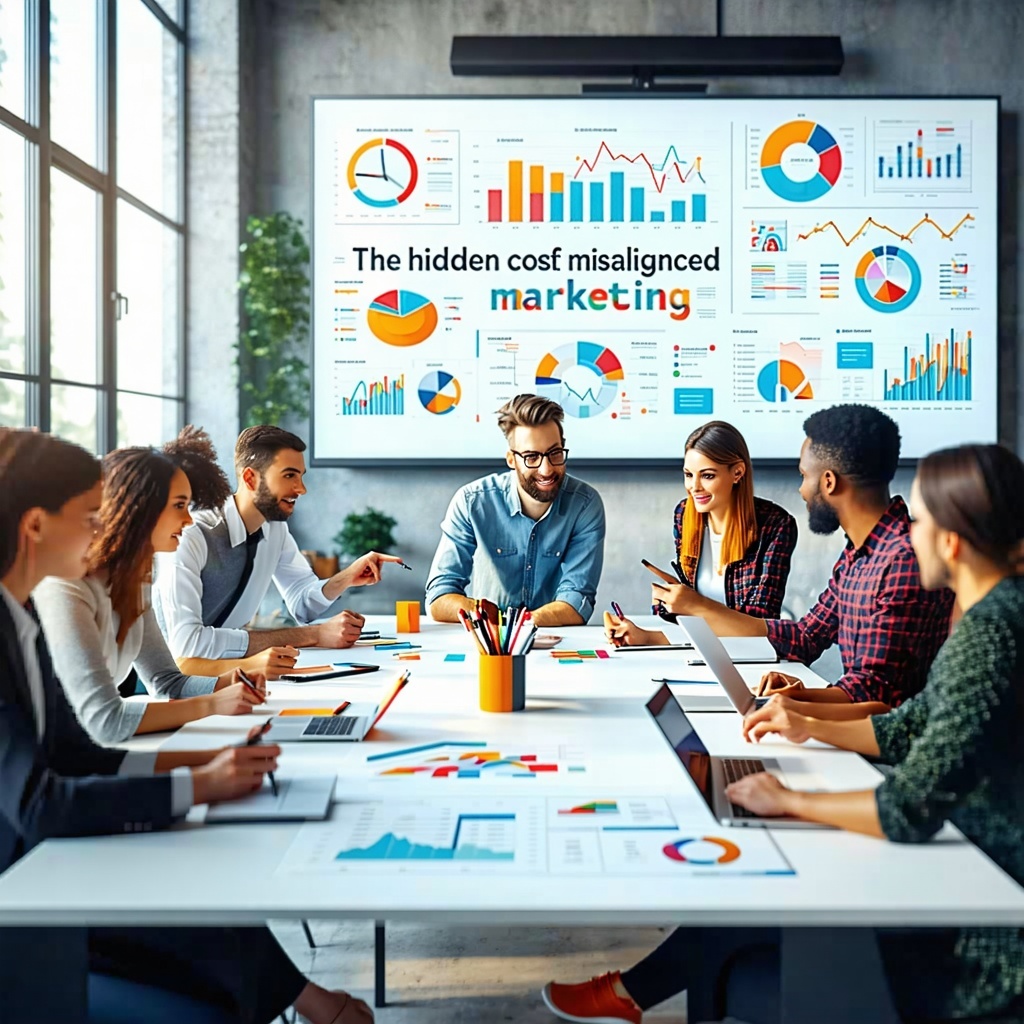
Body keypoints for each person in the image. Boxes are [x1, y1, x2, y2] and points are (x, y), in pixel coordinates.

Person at [543, 443, 1024, 1024]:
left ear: (950, 542)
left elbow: (908, 807)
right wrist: (804, 719)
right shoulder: (995, 616)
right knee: (749, 908)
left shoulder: (989, 638)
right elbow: (905, 728)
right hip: (961, 876)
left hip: (979, 942)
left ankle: (632, 993)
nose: (907, 532)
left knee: (738, 975)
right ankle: (629, 993)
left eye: (917, 520)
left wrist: (789, 800)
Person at [0, 428, 372, 1023]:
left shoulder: (79, 599)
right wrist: (199, 778)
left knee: (205, 893)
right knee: (195, 898)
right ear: (35, 526)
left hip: (49, 852)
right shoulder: (48, 600)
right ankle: (313, 1005)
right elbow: (72, 760)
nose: (98, 527)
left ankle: (308, 1005)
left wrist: (212, 742)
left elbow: (90, 738)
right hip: (28, 883)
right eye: (88, 514)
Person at [632, 404, 952, 712]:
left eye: (803, 476)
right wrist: (799, 692)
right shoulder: (858, 556)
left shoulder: (902, 560)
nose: (801, 491)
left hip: (890, 754)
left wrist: (798, 705)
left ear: (828, 482)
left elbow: (876, 697)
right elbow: (806, 638)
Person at [34, 428, 273, 744]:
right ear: (138, 507)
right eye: (179, 505)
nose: (189, 521)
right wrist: (213, 705)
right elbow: (106, 721)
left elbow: (166, 681)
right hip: (45, 761)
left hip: (87, 751)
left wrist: (225, 683)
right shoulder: (66, 587)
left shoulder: (135, 579)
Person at [154, 425, 401, 662]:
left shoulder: (275, 529)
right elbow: (188, 643)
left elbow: (302, 604)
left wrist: (345, 577)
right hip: (173, 684)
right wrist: (314, 635)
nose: (301, 489)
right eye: (289, 475)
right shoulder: (192, 536)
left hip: (230, 672)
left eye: (301, 476)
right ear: (250, 478)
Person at [605, 421, 796, 647]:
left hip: (753, 657)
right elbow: (691, 621)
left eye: (707, 476)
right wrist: (663, 611)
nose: (694, 487)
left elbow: (760, 624)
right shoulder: (684, 515)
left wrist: (693, 604)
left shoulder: (775, 526)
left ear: (737, 472)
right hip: (703, 652)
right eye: (688, 475)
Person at [425, 394, 605, 627]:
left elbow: (577, 601)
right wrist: (488, 616)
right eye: (531, 457)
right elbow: (439, 597)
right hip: (487, 642)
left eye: (555, 453)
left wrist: (523, 624)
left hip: (554, 641)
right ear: (511, 459)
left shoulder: (585, 504)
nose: (546, 469)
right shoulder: (471, 502)